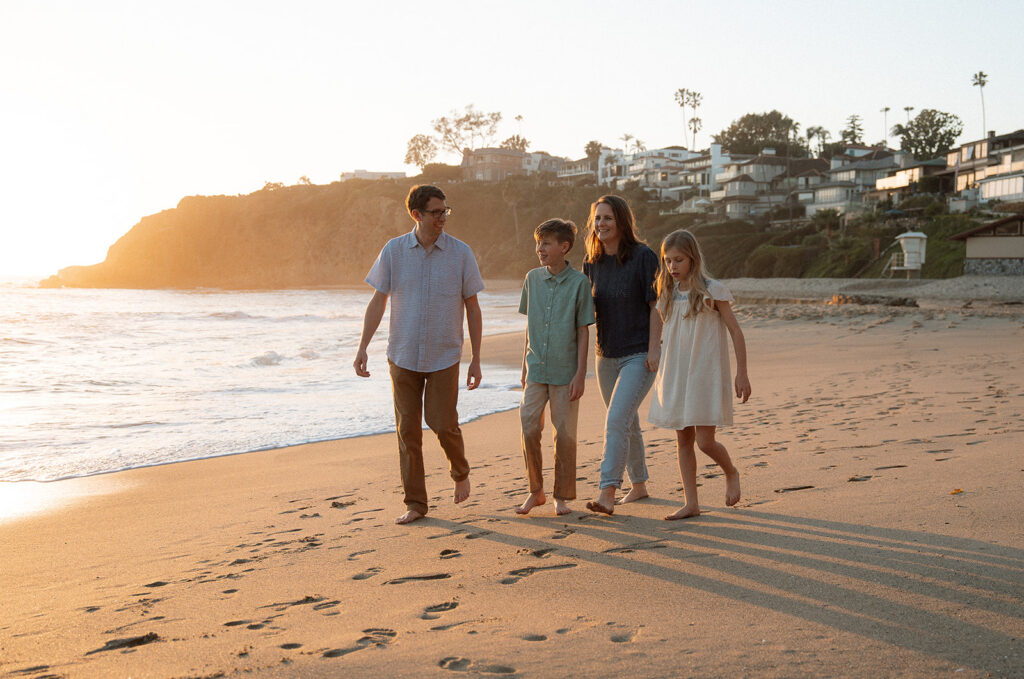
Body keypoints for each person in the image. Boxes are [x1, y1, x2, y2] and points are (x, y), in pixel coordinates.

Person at [353, 184, 484, 525]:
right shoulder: (394, 251)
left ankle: (460, 471)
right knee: (407, 431)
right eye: (436, 212)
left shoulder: (461, 253)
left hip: (444, 355)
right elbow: (378, 300)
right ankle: (416, 503)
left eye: (445, 211)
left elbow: (472, 306)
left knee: (442, 423)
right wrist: (362, 347)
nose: (443, 217)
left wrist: (477, 358)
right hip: (403, 354)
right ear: (416, 214)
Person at [648, 229, 751, 520]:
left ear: (692, 258)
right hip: (677, 373)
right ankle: (691, 502)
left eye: (678, 260)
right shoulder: (667, 293)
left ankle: (730, 471)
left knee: (705, 442)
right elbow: (662, 328)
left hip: (704, 372)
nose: (672, 267)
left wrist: (742, 373)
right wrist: (652, 351)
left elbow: (736, 332)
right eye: (668, 261)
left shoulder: (713, 291)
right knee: (683, 440)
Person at [582, 195, 662, 515]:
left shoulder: (644, 257)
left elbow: (657, 305)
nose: (601, 224)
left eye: (608, 218)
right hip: (606, 355)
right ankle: (639, 485)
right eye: (597, 218)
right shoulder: (592, 262)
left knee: (615, 420)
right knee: (627, 422)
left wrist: (655, 348)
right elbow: (585, 310)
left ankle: (607, 491)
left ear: (622, 222)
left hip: (639, 353)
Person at [515, 218, 595, 516]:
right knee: (528, 426)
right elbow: (529, 325)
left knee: (564, 434)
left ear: (564, 246)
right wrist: (523, 366)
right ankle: (536, 491)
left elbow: (584, 330)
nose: (540, 249)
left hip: (565, 374)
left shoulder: (579, 283)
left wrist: (580, 374)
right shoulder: (532, 279)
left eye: (546, 243)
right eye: (538, 243)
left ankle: (561, 496)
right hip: (535, 369)